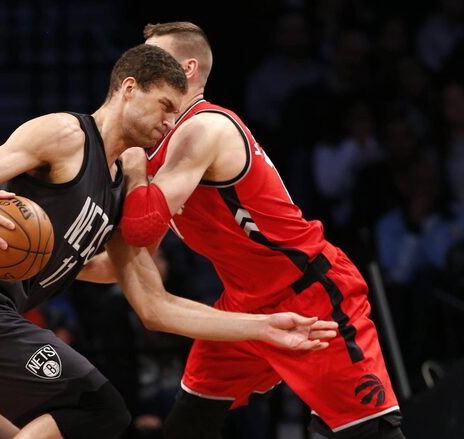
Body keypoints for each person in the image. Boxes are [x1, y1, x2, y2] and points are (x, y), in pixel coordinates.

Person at [0, 44, 337, 439]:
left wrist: (263, 326)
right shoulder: (67, 135)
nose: (170, 122)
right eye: (164, 106)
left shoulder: (120, 195)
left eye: (176, 113)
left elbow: (155, 306)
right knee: (97, 408)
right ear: (129, 89)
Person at [118, 22, 406, 438]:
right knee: (187, 426)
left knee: (373, 434)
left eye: (154, 59)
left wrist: (130, 168)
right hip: (242, 305)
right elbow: (136, 257)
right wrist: (64, 262)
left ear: (188, 68)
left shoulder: (204, 129)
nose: (142, 69)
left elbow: (141, 228)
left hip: (309, 295)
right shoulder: (165, 149)